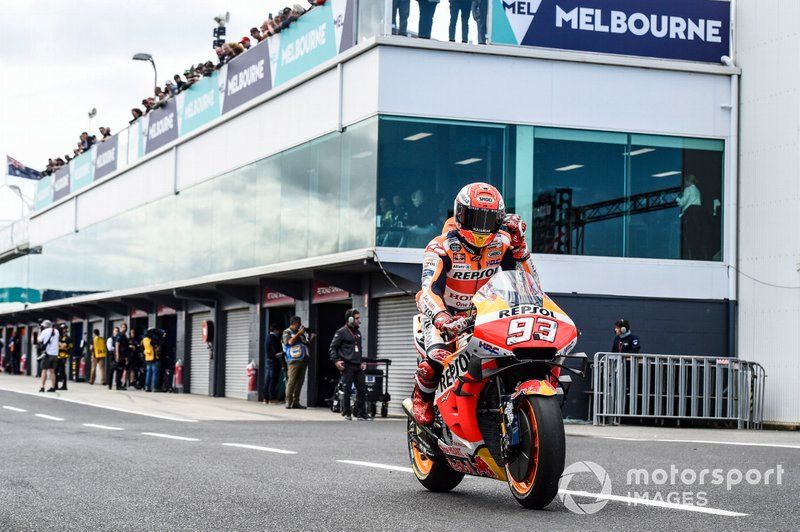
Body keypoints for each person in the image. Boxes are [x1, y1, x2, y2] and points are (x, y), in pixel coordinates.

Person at [411, 182, 540, 425]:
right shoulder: (441, 247)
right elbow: (428, 289)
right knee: (437, 360)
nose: (482, 227)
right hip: (446, 315)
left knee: (513, 354)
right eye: (475, 218)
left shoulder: (504, 242)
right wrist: (441, 317)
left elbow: (530, 286)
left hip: (486, 314)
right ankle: (422, 397)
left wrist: (521, 249)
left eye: (488, 220)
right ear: (460, 215)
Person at [329, 309, 370, 421]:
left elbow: (359, 349)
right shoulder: (341, 332)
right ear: (350, 319)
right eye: (357, 318)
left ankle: (362, 414)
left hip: (358, 366)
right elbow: (332, 348)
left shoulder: (358, 332)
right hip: (347, 365)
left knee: (362, 389)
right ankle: (347, 413)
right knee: (347, 390)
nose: (359, 320)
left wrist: (362, 361)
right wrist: (336, 361)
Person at [282, 317, 315, 409]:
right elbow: (290, 342)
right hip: (293, 360)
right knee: (291, 381)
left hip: (303, 359)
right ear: (295, 323)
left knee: (300, 382)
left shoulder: (300, 333)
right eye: (299, 323)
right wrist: (299, 333)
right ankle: (288, 401)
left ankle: (296, 402)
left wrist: (311, 338)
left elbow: (306, 344)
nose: (300, 325)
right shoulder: (287, 332)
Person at [676, 173, 704, 259]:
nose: (684, 183)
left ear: (688, 181)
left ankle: (686, 253)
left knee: (687, 234)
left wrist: (677, 199)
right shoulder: (697, 190)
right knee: (695, 234)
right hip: (697, 214)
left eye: (685, 181)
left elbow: (682, 203)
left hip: (689, 213)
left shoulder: (688, 189)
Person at [264, 324, 285, 404]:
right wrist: (282, 353)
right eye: (278, 330)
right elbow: (276, 351)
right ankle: (272, 398)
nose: (279, 332)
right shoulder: (273, 338)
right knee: (273, 380)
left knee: (268, 380)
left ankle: (265, 398)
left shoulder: (268, 337)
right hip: (273, 361)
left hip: (269, 361)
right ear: (275, 330)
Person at [38, 320, 59, 393]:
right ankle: (53, 387)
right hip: (55, 354)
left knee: (44, 370)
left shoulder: (44, 331)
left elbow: (39, 340)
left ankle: (42, 387)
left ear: (45, 326)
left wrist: (40, 331)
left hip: (47, 354)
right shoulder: (56, 331)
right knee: (52, 371)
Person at [56, 324, 73, 391]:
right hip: (57, 356)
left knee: (62, 371)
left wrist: (59, 344)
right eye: (63, 329)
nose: (64, 330)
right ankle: (55, 385)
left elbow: (64, 346)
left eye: (64, 329)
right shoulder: (59, 337)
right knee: (55, 371)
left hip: (63, 357)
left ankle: (64, 386)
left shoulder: (68, 338)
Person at [113, 324, 129, 390]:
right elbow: (117, 345)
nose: (124, 328)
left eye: (125, 327)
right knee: (119, 370)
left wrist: (126, 357)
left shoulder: (124, 336)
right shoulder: (119, 335)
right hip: (120, 356)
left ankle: (119, 384)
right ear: (121, 328)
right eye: (123, 327)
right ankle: (118, 385)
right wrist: (117, 355)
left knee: (121, 370)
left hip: (124, 355)